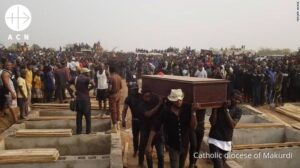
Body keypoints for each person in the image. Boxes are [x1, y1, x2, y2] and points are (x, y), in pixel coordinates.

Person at [146, 89, 198, 168]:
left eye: (180, 100)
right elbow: (155, 126)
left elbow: (193, 127)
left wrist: (193, 113)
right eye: (176, 100)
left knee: (181, 165)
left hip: (184, 145)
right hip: (173, 146)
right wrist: (149, 144)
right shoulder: (165, 112)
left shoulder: (187, 110)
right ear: (172, 100)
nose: (179, 102)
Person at [208, 90, 243, 168]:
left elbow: (232, 125)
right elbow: (212, 122)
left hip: (226, 141)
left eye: (238, 100)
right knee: (218, 164)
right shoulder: (219, 107)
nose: (237, 101)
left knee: (220, 165)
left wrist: (226, 111)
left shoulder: (238, 111)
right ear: (229, 97)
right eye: (235, 99)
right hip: (214, 140)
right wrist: (215, 108)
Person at [138, 90, 164, 168]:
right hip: (146, 131)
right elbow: (148, 114)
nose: (148, 98)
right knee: (148, 153)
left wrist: (161, 101)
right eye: (146, 96)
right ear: (142, 96)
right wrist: (160, 103)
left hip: (158, 133)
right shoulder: (141, 105)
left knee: (161, 154)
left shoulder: (155, 102)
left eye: (149, 96)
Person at [70, 68, 95, 134]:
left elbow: (68, 84)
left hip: (78, 100)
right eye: (87, 72)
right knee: (87, 117)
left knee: (79, 117)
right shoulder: (87, 78)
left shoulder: (76, 78)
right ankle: (88, 131)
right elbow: (93, 84)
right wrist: (88, 89)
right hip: (86, 100)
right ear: (84, 73)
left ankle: (79, 131)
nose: (88, 74)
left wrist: (74, 91)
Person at [121, 87, 141, 157]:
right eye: (133, 89)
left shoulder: (141, 96)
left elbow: (125, 109)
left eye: (135, 89)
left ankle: (138, 151)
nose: (134, 91)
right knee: (136, 137)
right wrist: (123, 119)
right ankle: (136, 150)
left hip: (142, 121)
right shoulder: (129, 98)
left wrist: (123, 119)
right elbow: (124, 109)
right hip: (136, 120)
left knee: (141, 137)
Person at [107, 66, 122, 133]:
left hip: (113, 95)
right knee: (118, 109)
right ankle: (118, 124)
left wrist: (107, 92)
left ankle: (114, 126)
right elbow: (121, 87)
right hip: (118, 94)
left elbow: (110, 88)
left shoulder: (111, 78)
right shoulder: (119, 77)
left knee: (113, 110)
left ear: (110, 70)